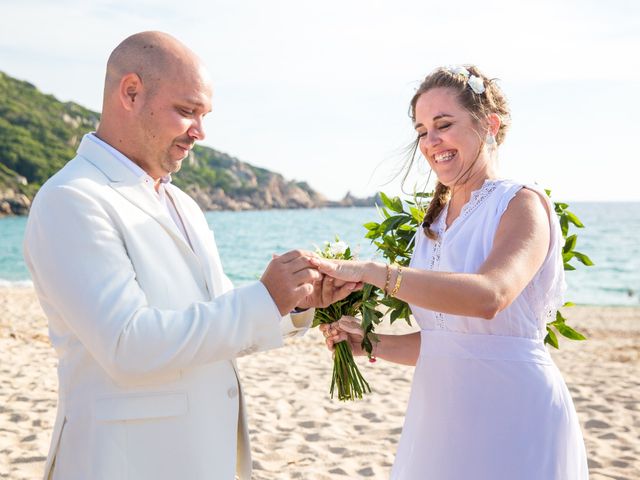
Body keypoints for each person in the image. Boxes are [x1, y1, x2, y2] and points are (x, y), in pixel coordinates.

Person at [23, 31, 354, 480]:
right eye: (187, 111)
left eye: (204, 115)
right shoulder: (71, 198)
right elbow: (127, 344)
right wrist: (262, 298)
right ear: (131, 92)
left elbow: (216, 321)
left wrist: (292, 303)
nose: (200, 132)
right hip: (127, 462)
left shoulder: (183, 204)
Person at [314, 65, 588, 479]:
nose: (431, 141)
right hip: (438, 425)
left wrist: (375, 272)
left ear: (489, 125)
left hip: (513, 416)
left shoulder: (520, 204)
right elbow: (446, 342)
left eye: (443, 124)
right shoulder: (433, 225)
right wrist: (369, 343)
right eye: (422, 130)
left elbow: (489, 296)